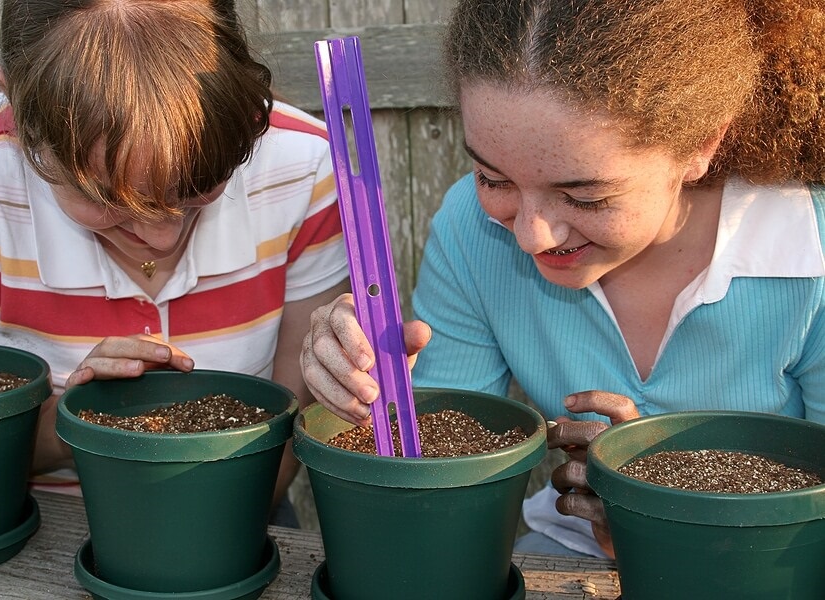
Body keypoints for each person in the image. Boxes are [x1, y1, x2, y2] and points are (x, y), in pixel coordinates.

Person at [300, 0, 825, 557]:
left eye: (584, 196)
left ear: (700, 145)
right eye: (492, 177)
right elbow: (433, 485)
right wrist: (363, 392)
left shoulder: (809, 249)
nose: (532, 236)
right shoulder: (470, 229)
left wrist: (663, 520)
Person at [0, 0, 349, 525]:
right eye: (105, 196)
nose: (160, 234)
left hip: (242, 501)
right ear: (18, 108)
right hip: (26, 514)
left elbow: (293, 420)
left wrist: (220, 533)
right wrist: (68, 421)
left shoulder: (304, 167)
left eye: (195, 187)